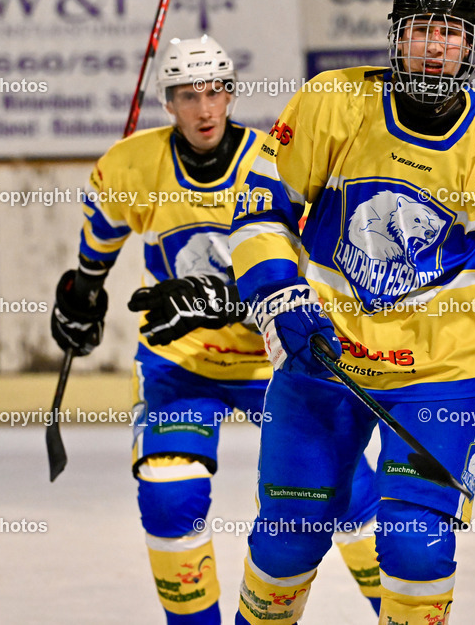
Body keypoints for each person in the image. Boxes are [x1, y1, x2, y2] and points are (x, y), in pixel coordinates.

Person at [229, 0, 475, 625]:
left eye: (450, 33)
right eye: (421, 31)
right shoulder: (331, 103)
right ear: (396, 40)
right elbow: (258, 207)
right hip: (325, 361)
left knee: (417, 543)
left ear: (471, 46)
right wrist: (277, 294)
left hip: (441, 373)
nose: (435, 47)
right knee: (286, 537)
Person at [51, 35, 383, 624]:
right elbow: (98, 242)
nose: (204, 110)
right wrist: (84, 291)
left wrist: (211, 296)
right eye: (187, 96)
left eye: (215, 92)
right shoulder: (132, 164)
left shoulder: (276, 160)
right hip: (182, 365)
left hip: (276, 359)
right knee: (167, 492)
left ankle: (398, 611)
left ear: (230, 94)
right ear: (166, 102)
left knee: (352, 496)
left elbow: (295, 266)